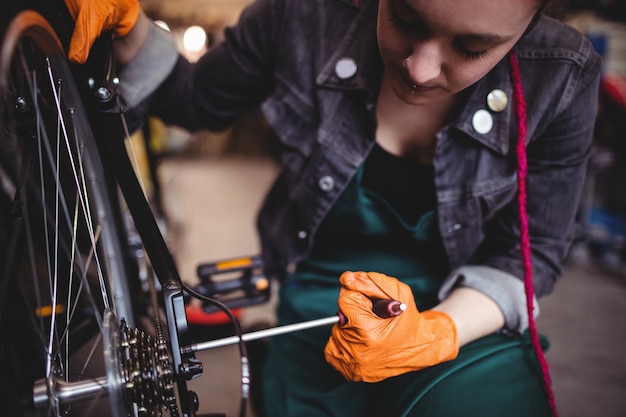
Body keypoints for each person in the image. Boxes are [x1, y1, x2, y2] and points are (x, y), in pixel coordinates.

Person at [65, 0, 601, 415]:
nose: (419, 68)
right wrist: (131, 26)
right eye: (406, 17)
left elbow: (533, 254)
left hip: (462, 318)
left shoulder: (561, 76)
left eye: (471, 48)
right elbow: (192, 98)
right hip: (314, 312)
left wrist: (433, 334)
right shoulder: (303, 16)